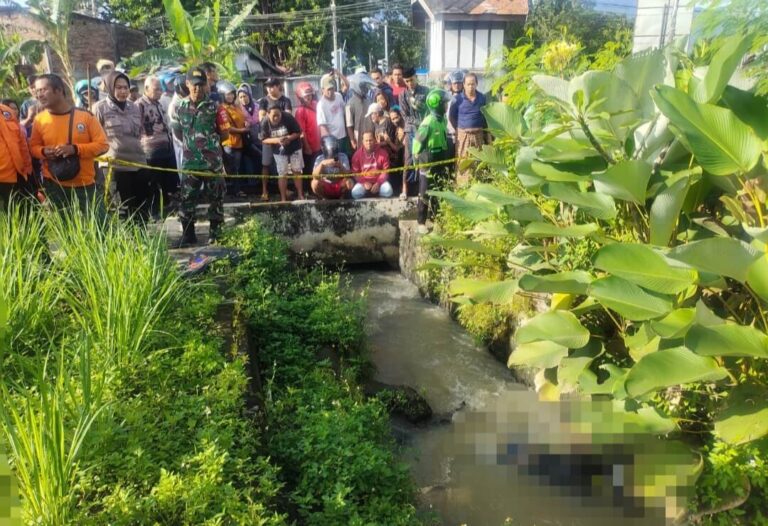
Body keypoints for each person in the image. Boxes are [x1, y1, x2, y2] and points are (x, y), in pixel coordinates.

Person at [29, 73, 109, 210]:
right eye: (36, 91)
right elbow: (33, 147)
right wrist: (44, 151)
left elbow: (103, 146)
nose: (39, 95)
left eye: (43, 90)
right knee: (65, 227)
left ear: (59, 90)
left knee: (99, 226)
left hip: (85, 184)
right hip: (54, 184)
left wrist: (75, 149)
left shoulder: (86, 117)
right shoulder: (39, 120)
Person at [171, 66, 227, 246]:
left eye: (201, 84)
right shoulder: (179, 108)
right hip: (190, 164)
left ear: (206, 85)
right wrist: (193, 147)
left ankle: (216, 235)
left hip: (212, 165)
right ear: (187, 84)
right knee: (187, 200)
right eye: (194, 85)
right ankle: (188, 236)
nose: (197, 88)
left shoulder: (215, 107)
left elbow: (225, 135)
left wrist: (209, 147)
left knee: (216, 200)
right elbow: (178, 133)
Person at [93, 71, 152, 221]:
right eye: (118, 88)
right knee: (122, 207)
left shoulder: (135, 107)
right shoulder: (99, 108)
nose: (123, 91)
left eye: (125, 87)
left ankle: (143, 239)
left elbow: (139, 133)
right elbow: (95, 137)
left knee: (142, 205)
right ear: (110, 88)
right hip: (115, 166)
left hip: (138, 163)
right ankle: (127, 242)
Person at [137, 74, 177, 216]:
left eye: (160, 89)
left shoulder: (158, 104)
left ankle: (166, 208)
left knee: (167, 181)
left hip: (166, 147)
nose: (159, 92)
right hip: (151, 150)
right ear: (146, 88)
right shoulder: (140, 105)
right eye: (156, 89)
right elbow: (137, 128)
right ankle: (154, 211)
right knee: (154, 183)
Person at [412, 89, 450, 229]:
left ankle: (436, 220)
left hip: (440, 159)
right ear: (437, 104)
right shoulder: (428, 122)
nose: (447, 106)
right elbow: (417, 142)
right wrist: (417, 159)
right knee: (425, 192)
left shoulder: (442, 120)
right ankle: (421, 222)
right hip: (427, 161)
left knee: (438, 191)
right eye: (445, 103)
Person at [259, 101, 305, 202]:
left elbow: (298, 132)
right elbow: (263, 139)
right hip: (278, 149)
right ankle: (283, 198)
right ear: (268, 114)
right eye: (273, 116)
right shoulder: (265, 122)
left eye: (278, 115)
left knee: (296, 170)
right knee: (282, 173)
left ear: (281, 112)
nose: (276, 118)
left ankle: (300, 195)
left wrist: (289, 138)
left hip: (294, 146)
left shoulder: (288, 117)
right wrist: (277, 140)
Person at [449, 72, 489, 186]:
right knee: (463, 160)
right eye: (468, 84)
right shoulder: (457, 99)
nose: (470, 87)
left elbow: (485, 115)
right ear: (464, 85)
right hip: (463, 135)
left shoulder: (482, 98)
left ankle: (477, 185)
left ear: (477, 84)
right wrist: (459, 129)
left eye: (473, 84)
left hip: (478, 134)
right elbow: (452, 116)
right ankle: (462, 187)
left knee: (477, 160)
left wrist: (487, 135)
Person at [258, 78, 292, 200]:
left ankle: (285, 189)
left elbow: (288, 117)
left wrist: (273, 117)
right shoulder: (263, 101)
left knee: (283, 166)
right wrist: (276, 117)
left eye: (272, 86)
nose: (270, 88)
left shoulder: (286, 100)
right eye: (268, 86)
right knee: (266, 165)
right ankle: (264, 191)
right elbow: (261, 117)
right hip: (268, 138)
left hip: (282, 137)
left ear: (278, 86)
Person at [216, 81, 249, 198]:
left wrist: (246, 124)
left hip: (238, 142)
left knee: (237, 168)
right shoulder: (222, 109)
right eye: (227, 94)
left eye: (231, 94)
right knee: (232, 169)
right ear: (222, 95)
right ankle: (234, 191)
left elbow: (242, 118)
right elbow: (227, 128)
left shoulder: (236, 107)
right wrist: (243, 131)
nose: (230, 96)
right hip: (229, 142)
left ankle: (235, 189)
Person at [398, 67, 428, 191]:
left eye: (411, 79)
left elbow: (429, 110)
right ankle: (404, 189)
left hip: (425, 131)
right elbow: (405, 116)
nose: (410, 83)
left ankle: (422, 189)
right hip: (410, 131)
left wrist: (424, 122)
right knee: (409, 159)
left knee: (423, 159)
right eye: (407, 81)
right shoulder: (402, 95)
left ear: (416, 77)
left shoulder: (426, 91)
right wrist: (419, 122)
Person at [0, 101, 34, 210]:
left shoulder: (7, 112)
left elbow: (21, 143)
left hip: (14, 175)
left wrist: (28, 167)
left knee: (15, 212)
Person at [350, 130, 392, 199]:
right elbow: (355, 173)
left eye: (370, 140)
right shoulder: (356, 155)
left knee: (388, 191)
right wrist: (364, 183)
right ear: (362, 141)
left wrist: (378, 183)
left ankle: (380, 199)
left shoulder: (383, 153)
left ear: (375, 140)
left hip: (379, 181)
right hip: (364, 182)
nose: (368, 143)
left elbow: (386, 171)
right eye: (366, 141)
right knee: (355, 193)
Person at [316, 75, 351, 156]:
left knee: (346, 159)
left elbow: (347, 85)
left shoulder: (338, 96)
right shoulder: (321, 105)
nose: (330, 92)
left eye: (332, 88)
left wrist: (338, 73)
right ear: (322, 90)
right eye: (328, 89)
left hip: (344, 137)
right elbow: (323, 127)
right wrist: (329, 143)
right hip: (333, 140)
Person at [294, 82, 321, 180]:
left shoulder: (316, 105)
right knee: (308, 169)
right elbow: (302, 132)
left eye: (310, 95)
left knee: (317, 167)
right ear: (300, 97)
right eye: (306, 96)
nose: (308, 97)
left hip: (319, 144)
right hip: (309, 145)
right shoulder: (300, 111)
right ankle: (308, 190)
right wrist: (307, 147)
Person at [311, 135, 353, 199]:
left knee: (349, 181)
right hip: (326, 184)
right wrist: (322, 164)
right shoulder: (320, 158)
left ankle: (343, 197)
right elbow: (314, 176)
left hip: (339, 184)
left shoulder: (343, 156)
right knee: (314, 183)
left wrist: (340, 166)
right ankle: (324, 198)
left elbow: (348, 175)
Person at [237, 84, 261, 191]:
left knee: (260, 159)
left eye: (245, 96)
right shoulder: (238, 109)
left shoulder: (257, 106)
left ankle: (261, 182)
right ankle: (251, 185)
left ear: (249, 95)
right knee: (248, 161)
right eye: (241, 97)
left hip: (259, 138)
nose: (243, 99)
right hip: (246, 140)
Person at [345, 73, 374, 153]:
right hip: (358, 135)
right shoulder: (349, 104)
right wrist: (352, 140)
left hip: (370, 133)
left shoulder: (368, 99)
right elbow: (349, 124)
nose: (365, 88)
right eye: (363, 86)